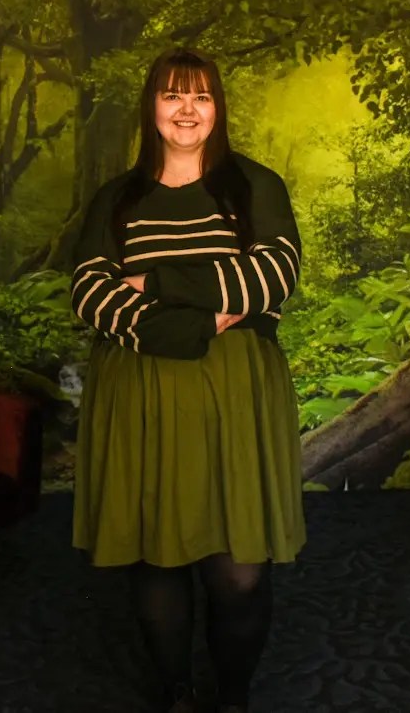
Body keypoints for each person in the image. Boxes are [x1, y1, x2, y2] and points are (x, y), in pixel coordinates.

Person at [71, 47, 307, 713]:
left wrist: (155, 282)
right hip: (142, 389)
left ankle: (232, 698)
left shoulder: (254, 186)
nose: (186, 110)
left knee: (240, 571)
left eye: (201, 96)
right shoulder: (117, 199)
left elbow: (273, 274)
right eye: (173, 95)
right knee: (160, 556)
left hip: (237, 393)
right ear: (151, 106)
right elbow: (90, 290)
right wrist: (201, 320)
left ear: (217, 108)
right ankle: (175, 694)